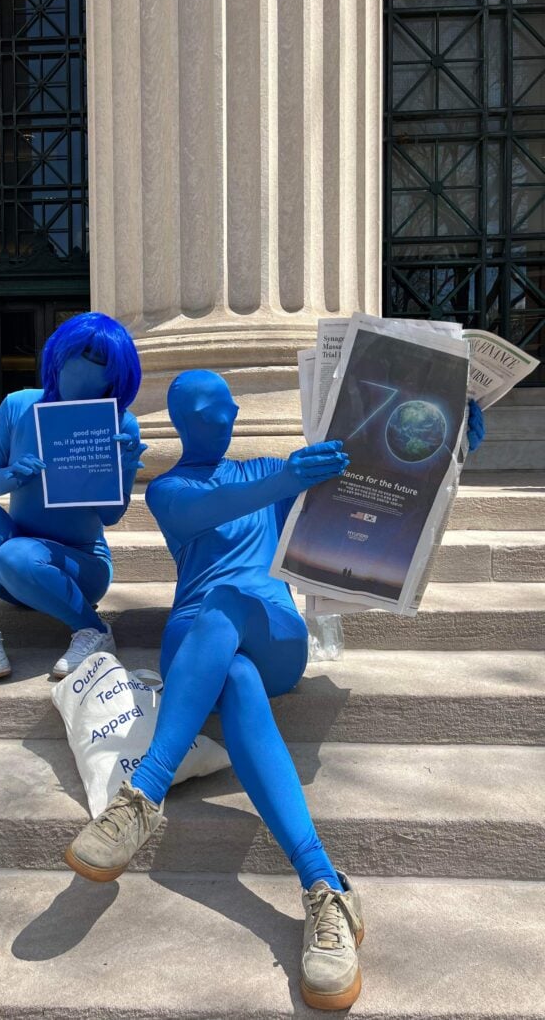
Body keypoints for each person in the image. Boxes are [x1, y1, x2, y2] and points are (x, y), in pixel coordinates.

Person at [64, 369, 486, 1012]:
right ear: (179, 422)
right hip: (195, 645)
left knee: (229, 601)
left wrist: (445, 452)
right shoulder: (169, 489)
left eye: (222, 409)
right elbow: (209, 511)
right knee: (231, 667)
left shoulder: (270, 471)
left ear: (235, 414)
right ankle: (326, 887)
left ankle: (144, 792)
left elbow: (368, 497)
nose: (218, 419)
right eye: (201, 412)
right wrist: (287, 477)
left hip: (274, 630)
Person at [0, 312, 145, 681]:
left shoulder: (120, 423)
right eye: (77, 355)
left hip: (80, 569)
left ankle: (93, 629)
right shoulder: (17, 406)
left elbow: (110, 517)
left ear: (116, 377)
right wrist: (12, 474)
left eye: (100, 363)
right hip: (12, 572)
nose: (84, 369)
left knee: (15, 554)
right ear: (58, 356)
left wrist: (118, 472)